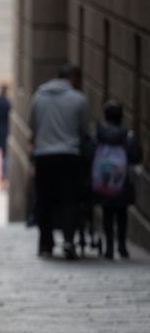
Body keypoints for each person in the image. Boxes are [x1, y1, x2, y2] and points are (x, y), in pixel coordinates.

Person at [29, 64, 89, 259]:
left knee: (44, 201)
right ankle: (69, 241)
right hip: (69, 157)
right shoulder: (78, 100)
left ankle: (45, 243)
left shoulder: (38, 97)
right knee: (69, 200)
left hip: (44, 156)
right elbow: (83, 131)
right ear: (72, 78)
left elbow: (33, 127)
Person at [90, 101, 143, 259]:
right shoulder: (127, 136)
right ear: (121, 116)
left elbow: (90, 152)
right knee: (122, 213)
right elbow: (136, 156)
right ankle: (122, 246)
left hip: (105, 180)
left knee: (107, 213)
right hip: (122, 180)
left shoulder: (99, 135)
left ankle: (109, 247)